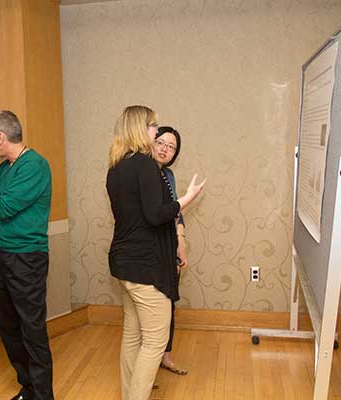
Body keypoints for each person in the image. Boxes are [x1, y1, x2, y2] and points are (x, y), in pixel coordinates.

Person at [106, 105, 205, 400]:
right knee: (155, 342)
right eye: (153, 126)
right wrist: (186, 199)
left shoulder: (116, 165)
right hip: (145, 266)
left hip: (125, 263)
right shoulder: (145, 165)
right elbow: (154, 214)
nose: (156, 132)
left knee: (132, 335)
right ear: (140, 128)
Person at [0, 110, 53, 400]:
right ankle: (29, 387)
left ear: (0, 137)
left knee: (31, 329)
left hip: (25, 258)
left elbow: (1, 209)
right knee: (8, 326)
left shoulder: (34, 165)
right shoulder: (6, 167)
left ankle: (44, 395)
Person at [153, 126, 188, 376]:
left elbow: (176, 209)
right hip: (149, 249)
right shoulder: (142, 173)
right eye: (162, 143)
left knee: (169, 301)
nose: (165, 149)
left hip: (169, 246)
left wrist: (181, 241)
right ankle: (149, 362)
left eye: (171, 147)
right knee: (152, 308)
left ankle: (165, 355)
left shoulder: (169, 176)